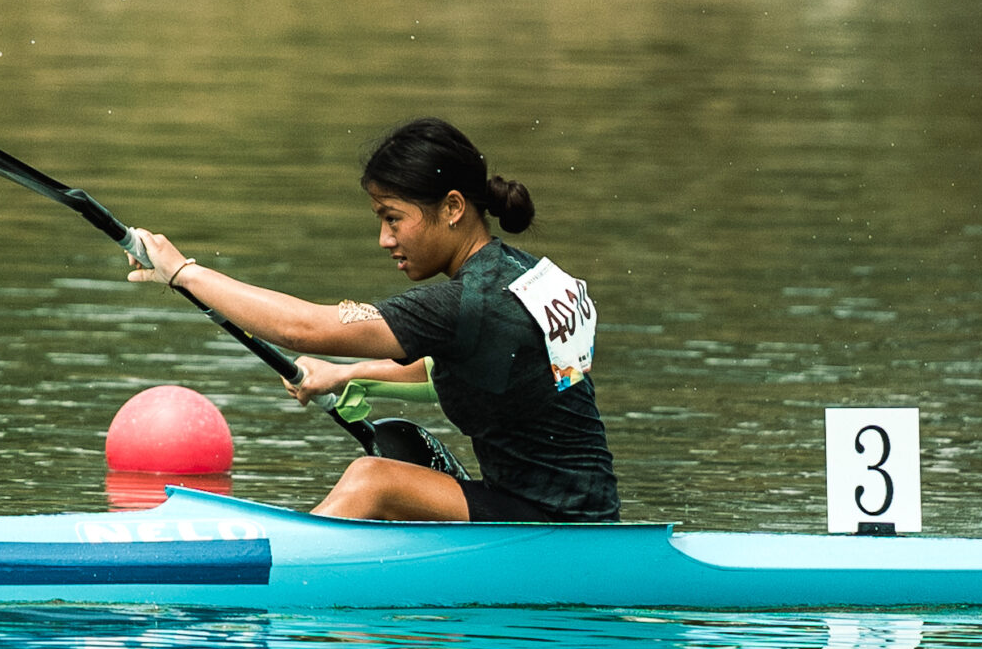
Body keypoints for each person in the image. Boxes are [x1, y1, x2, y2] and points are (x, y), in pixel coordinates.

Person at [125, 118, 619, 523]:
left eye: (393, 218)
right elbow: (477, 370)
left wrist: (184, 272)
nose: (385, 239)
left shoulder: (466, 303)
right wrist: (347, 373)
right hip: (585, 515)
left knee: (374, 480)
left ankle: (273, 570)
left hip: (553, 526)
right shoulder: (530, 277)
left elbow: (305, 329)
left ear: (452, 207)